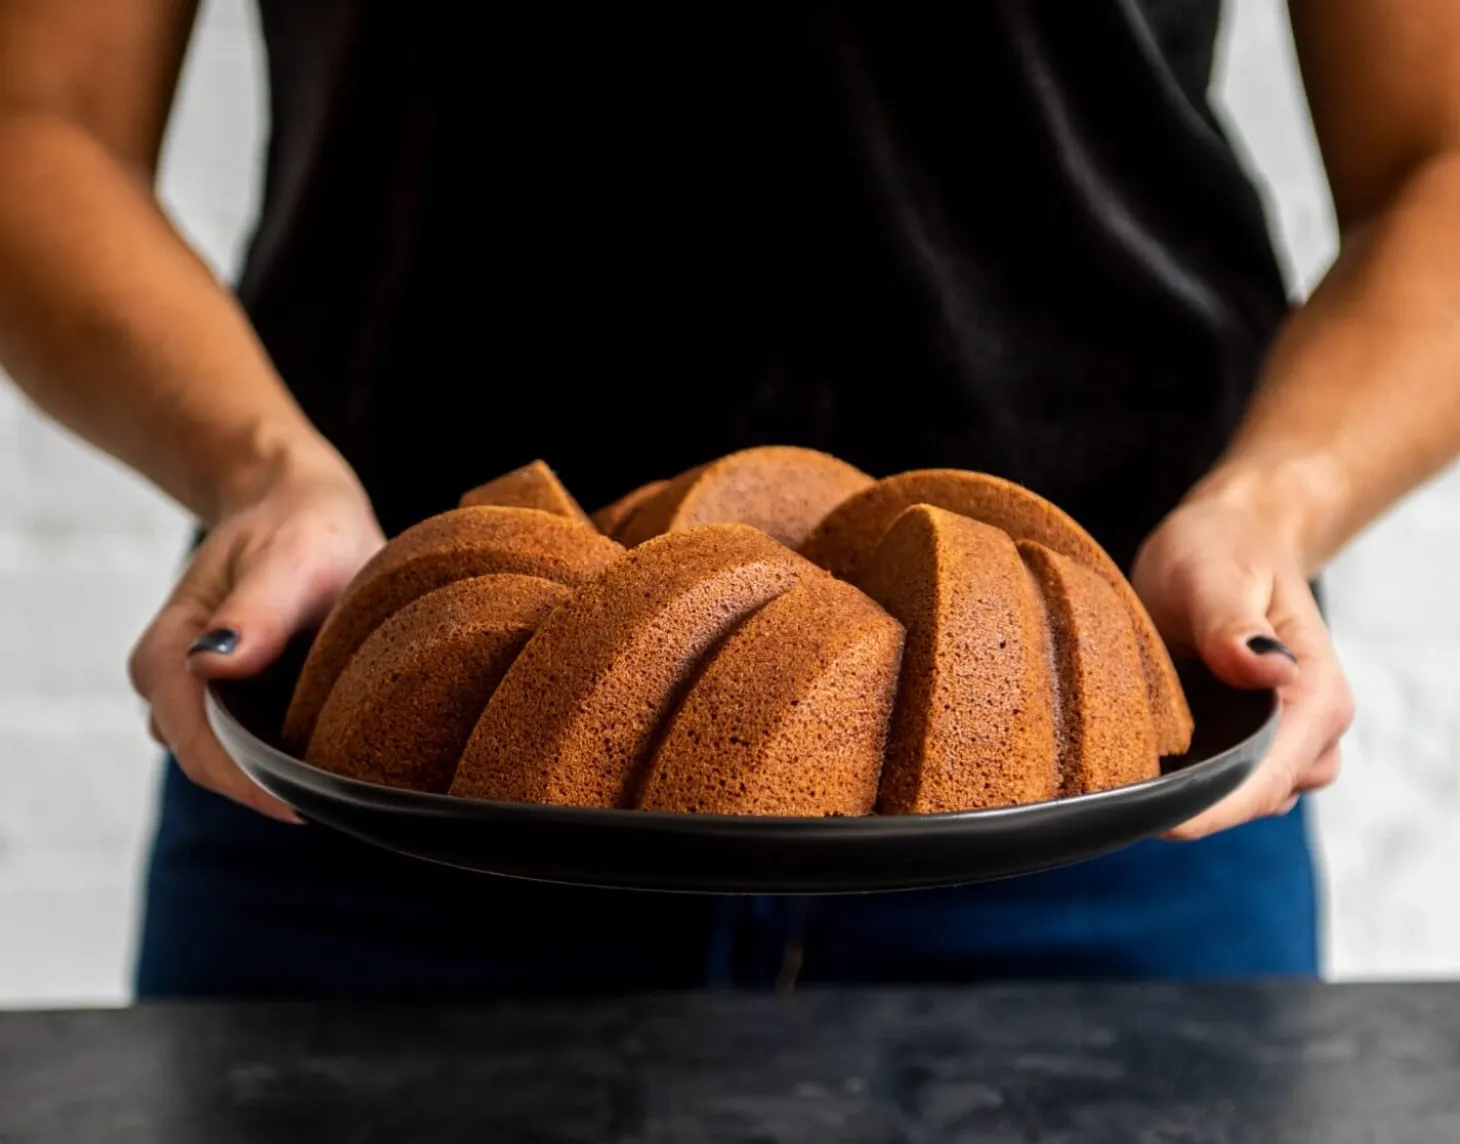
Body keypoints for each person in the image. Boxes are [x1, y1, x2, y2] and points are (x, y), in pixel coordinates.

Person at [0, 2, 1454, 993]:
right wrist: (261, 473)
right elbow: (37, 121)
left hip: (1096, 765)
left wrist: (1275, 503)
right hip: (398, 752)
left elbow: (1437, 152)